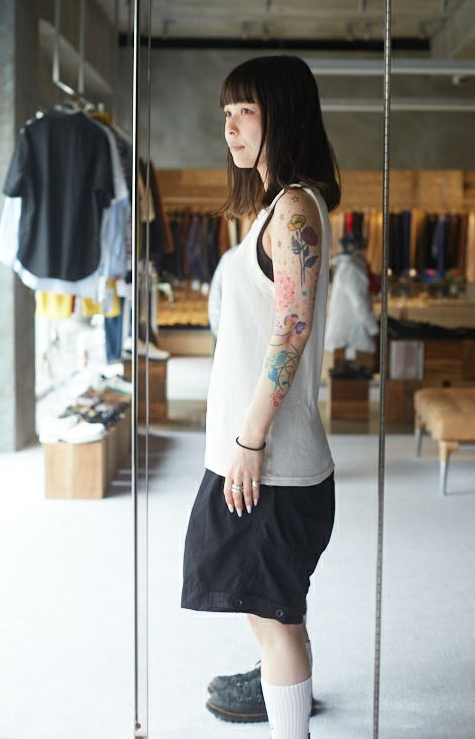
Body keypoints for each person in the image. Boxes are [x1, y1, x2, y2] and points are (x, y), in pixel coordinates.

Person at [180, 54, 341, 739]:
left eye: (244, 111)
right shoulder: (279, 206)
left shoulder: (295, 208)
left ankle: (287, 710)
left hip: (267, 462)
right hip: (255, 456)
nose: (230, 128)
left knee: (276, 621)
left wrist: (248, 441)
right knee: (269, 613)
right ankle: (281, 690)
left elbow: (291, 330)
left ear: (282, 113)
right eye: (225, 114)